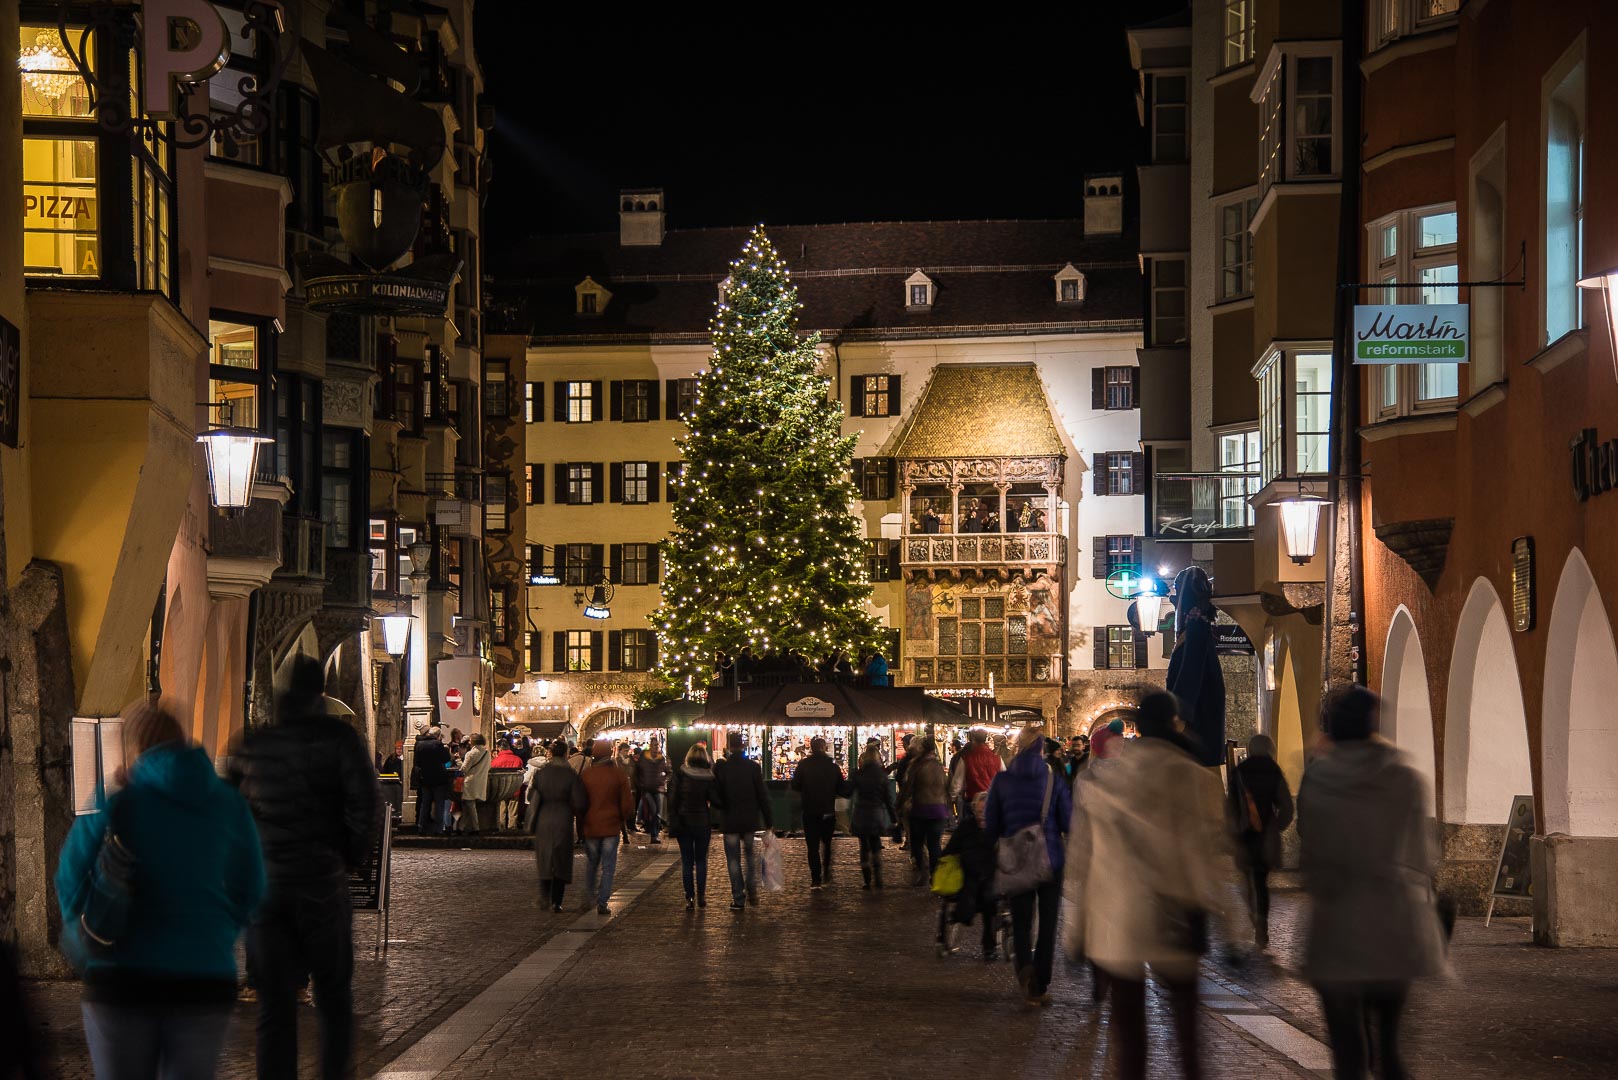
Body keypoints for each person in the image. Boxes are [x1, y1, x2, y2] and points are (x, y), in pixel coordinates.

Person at [57, 700, 265, 1080]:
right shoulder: (228, 804)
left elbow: (69, 875)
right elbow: (252, 885)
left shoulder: (116, 803)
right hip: (203, 981)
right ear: (182, 742)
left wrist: (85, 935)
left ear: (134, 748)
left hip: (120, 978)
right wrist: (217, 931)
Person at [229, 657, 379, 1080]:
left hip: (267, 888)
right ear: (319, 696)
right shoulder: (339, 740)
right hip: (320, 882)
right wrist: (348, 857)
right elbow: (364, 805)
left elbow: (233, 815)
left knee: (274, 1005)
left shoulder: (255, 745)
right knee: (333, 998)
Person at [1062, 693, 1226, 1077]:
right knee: (1187, 1037)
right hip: (1178, 912)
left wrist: (1076, 932)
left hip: (1119, 917)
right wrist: (1233, 929)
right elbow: (1211, 858)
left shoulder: (1103, 781)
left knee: (1129, 1038)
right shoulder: (1194, 777)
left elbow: (1083, 860)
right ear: (1175, 723)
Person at [1300, 686, 1447, 1080]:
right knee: (1390, 1050)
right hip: (1393, 926)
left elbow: (1311, 856)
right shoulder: (1403, 776)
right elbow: (1421, 857)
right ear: (1374, 723)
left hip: (1336, 930)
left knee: (1347, 1054)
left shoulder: (1317, 779)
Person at [986, 725, 1072, 1006]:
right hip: (1050, 857)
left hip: (1016, 858)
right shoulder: (1053, 780)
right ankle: (1040, 984)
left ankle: (1025, 967)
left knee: (1022, 921)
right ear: (1041, 749)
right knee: (1048, 924)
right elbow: (1068, 822)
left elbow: (992, 824)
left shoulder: (1002, 781)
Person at [1229, 733, 1294, 949]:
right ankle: (1262, 926)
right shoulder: (1274, 771)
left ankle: (1252, 914)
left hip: (1243, 836)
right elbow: (1286, 805)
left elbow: (1231, 807)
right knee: (1261, 882)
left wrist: (1233, 830)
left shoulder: (1239, 771)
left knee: (1248, 880)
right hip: (1265, 836)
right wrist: (1277, 825)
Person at [526, 739, 588, 912]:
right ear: (566, 753)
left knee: (545, 858)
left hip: (544, 819)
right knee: (561, 859)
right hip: (563, 817)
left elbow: (532, 796)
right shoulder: (570, 775)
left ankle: (544, 896)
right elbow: (580, 801)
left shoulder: (542, 774)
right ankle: (557, 902)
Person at [714, 730, 773, 909]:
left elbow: (716, 794)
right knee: (749, 856)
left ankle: (738, 898)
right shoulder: (753, 767)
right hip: (749, 819)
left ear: (729, 747)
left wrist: (721, 806)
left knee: (733, 860)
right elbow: (762, 795)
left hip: (730, 819)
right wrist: (768, 819)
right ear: (743, 745)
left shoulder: (722, 768)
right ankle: (751, 887)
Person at [939, 793, 999, 959]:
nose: (983, 816)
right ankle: (961, 916)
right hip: (968, 875)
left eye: (986, 812)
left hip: (990, 874)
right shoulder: (966, 827)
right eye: (980, 812)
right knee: (966, 907)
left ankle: (989, 946)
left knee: (990, 901)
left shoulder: (997, 827)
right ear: (974, 810)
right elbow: (950, 850)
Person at [581, 739, 635, 915]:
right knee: (608, 865)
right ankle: (602, 902)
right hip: (611, 827)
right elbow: (627, 803)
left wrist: (582, 818)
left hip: (591, 825)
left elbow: (579, 802)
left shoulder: (587, 774)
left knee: (592, 863)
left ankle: (588, 896)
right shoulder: (618, 775)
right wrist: (621, 818)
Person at [789, 736, 846, 890]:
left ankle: (816, 879)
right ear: (824, 747)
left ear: (811, 748)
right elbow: (842, 789)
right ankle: (827, 872)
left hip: (810, 811)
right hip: (828, 811)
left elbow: (795, 785)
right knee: (827, 843)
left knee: (812, 847)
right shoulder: (833, 767)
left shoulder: (804, 765)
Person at [668, 743, 719, 907]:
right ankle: (701, 896)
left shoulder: (681, 774)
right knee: (701, 860)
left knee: (687, 861)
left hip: (684, 822)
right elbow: (715, 799)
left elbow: (673, 799)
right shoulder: (709, 777)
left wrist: (672, 819)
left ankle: (689, 897)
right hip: (702, 822)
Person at [899, 735, 949, 886]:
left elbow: (907, 788)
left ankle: (923, 873)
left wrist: (899, 804)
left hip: (921, 809)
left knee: (918, 844)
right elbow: (947, 787)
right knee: (934, 846)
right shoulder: (939, 767)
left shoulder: (916, 765)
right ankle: (935, 876)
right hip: (939, 810)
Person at [850, 741, 895, 889]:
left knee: (864, 846)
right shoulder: (881, 775)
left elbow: (848, 791)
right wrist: (893, 819)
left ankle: (867, 880)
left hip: (861, 812)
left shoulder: (858, 774)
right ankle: (878, 877)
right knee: (876, 844)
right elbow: (888, 800)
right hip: (876, 812)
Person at [411, 725, 453, 834]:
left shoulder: (419, 744)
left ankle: (421, 827)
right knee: (439, 804)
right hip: (438, 778)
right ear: (438, 735)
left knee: (425, 804)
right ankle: (438, 829)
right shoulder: (438, 744)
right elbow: (446, 759)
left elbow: (417, 762)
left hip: (424, 778)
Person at [635, 742, 672, 844]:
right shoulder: (644, 758)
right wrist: (641, 784)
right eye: (655, 745)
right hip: (647, 789)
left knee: (656, 813)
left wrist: (663, 782)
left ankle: (654, 835)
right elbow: (637, 772)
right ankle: (653, 833)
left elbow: (669, 772)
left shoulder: (661, 759)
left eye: (657, 746)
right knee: (654, 810)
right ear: (651, 746)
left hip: (657, 789)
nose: (656, 748)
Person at [958, 728, 1003, 804]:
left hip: (973, 801)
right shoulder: (997, 759)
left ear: (973, 740)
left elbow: (957, 784)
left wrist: (953, 798)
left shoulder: (966, 759)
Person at [458, 733, 492, 834]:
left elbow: (464, 769)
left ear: (473, 742)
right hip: (481, 781)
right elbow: (489, 767)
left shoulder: (470, 754)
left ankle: (475, 828)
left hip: (470, 781)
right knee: (468, 805)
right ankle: (461, 827)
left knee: (469, 804)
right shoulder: (487, 753)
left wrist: (458, 761)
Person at [615, 742, 638, 843]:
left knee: (630, 811)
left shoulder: (631, 761)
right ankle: (624, 835)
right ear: (620, 751)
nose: (626, 753)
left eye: (627, 751)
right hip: (620, 790)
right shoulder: (616, 761)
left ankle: (629, 827)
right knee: (622, 813)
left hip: (631, 788)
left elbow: (634, 775)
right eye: (625, 751)